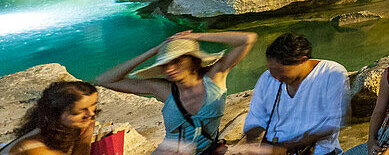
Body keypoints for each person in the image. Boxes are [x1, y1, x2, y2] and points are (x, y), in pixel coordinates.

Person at [95, 30, 256, 154]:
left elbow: (247, 39)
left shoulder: (215, 76)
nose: (170, 69)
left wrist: (196, 37)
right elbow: (104, 80)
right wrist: (154, 51)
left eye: (177, 61)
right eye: (165, 64)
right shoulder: (163, 89)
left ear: (193, 60)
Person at [243, 33, 349, 155]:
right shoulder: (268, 77)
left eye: (281, 72)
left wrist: (284, 147)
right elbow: (255, 120)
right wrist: (253, 145)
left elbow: (330, 125)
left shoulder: (332, 73)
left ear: (302, 61)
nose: (276, 78)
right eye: (272, 71)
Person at [2, 82, 98, 155]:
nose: (91, 113)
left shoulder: (61, 127)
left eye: (93, 105)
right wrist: (87, 133)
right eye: (79, 111)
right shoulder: (35, 148)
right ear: (56, 114)